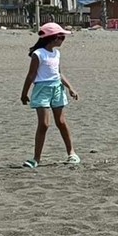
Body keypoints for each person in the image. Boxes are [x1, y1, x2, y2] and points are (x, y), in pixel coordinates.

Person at [20, 23, 80, 168]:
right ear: (52, 38)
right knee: (44, 124)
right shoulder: (38, 54)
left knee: (61, 122)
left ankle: (72, 153)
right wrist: (24, 93)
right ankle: (36, 158)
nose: (62, 40)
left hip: (57, 89)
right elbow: (31, 75)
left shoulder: (56, 53)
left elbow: (58, 74)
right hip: (42, 90)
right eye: (61, 37)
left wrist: (70, 88)